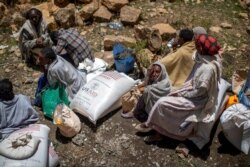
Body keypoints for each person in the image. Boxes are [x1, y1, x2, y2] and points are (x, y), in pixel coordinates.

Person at [136, 34, 222, 143]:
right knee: (169, 93)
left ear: (201, 48)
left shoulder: (207, 69)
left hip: (197, 100)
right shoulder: (207, 58)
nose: (194, 46)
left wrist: (181, 94)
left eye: (196, 45)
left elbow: (199, 91)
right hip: (192, 90)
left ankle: (158, 132)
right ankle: (154, 124)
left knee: (162, 103)